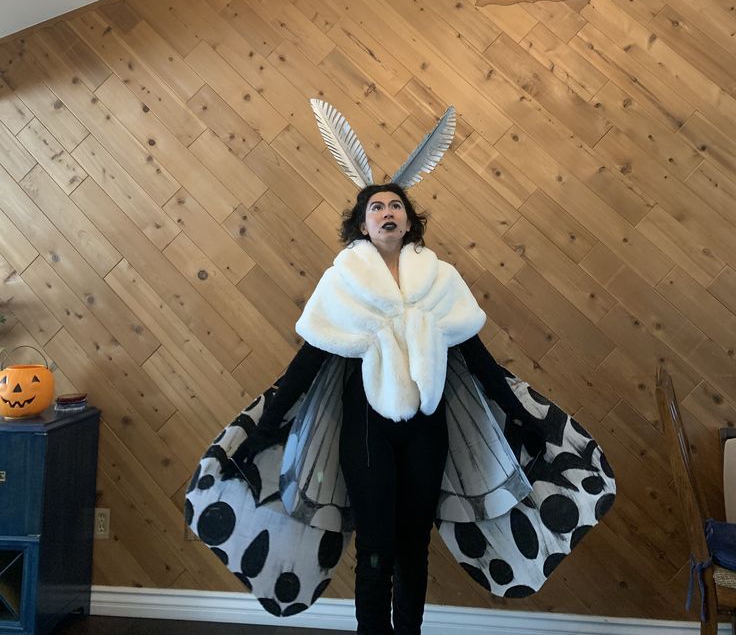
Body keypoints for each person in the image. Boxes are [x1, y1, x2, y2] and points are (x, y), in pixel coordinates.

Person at [186, 102, 615, 632]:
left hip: (426, 429)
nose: (387, 212)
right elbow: (308, 361)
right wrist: (261, 429)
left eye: (396, 206)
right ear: (363, 225)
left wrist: (524, 420)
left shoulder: (441, 281)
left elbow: (478, 361)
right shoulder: (343, 283)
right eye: (376, 208)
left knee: (414, 543)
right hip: (365, 428)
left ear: (409, 222)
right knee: (376, 545)